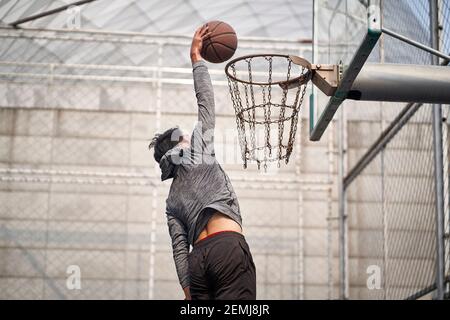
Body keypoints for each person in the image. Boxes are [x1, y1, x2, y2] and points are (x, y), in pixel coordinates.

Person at [148, 25, 256, 300]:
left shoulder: (171, 201)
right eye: (184, 136)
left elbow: (179, 248)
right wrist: (196, 58)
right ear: (181, 143)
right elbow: (206, 102)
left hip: (198, 263)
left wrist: (188, 291)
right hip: (227, 250)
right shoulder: (198, 151)